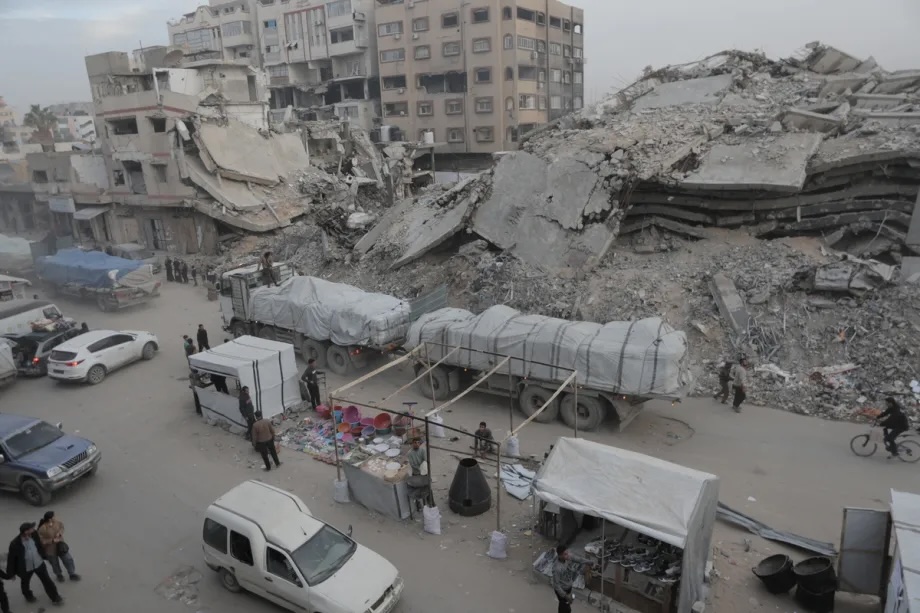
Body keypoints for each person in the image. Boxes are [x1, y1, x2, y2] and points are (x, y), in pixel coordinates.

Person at [6, 522, 63, 606]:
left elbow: (39, 546)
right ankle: (28, 596)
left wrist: (45, 556)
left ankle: (55, 597)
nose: (33, 529)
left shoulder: (34, 534)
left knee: (47, 581)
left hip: (38, 563)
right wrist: (11, 573)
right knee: (25, 583)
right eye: (31, 528)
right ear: (26, 532)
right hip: (26, 567)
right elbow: (11, 559)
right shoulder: (15, 544)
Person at [37, 511, 79, 582]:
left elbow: (62, 527)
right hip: (50, 549)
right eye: (53, 516)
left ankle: (72, 573)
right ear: (50, 519)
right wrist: (52, 541)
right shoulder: (42, 529)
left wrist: (59, 533)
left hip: (61, 546)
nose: (55, 517)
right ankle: (59, 575)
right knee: (54, 563)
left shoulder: (57, 522)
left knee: (68, 559)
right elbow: (42, 541)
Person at [552, 545, 575, 613]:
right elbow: (556, 585)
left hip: (567, 587)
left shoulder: (565, 560)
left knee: (565, 606)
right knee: (564, 607)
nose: (568, 555)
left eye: (567, 553)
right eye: (565, 554)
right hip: (562, 591)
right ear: (560, 556)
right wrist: (565, 595)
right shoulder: (557, 569)